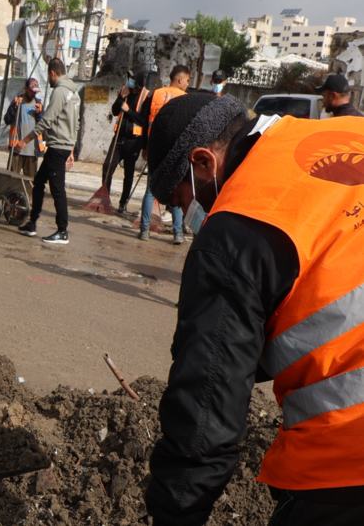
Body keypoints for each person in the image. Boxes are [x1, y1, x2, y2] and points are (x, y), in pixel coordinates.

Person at [143, 92, 364, 525]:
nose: (190, 214)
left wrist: (175, 513)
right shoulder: (347, 131)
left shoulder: (235, 229)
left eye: (182, 200)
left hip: (347, 455)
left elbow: (205, 415)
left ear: (203, 162)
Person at [15, 58, 80, 245]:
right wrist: (72, 150)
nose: (49, 80)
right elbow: (76, 124)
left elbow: (46, 121)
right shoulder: (74, 92)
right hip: (62, 146)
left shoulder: (60, 92)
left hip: (58, 146)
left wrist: (25, 140)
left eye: (48, 75)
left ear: (52, 73)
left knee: (57, 189)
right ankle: (32, 223)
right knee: (39, 181)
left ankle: (62, 231)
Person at [137, 64, 190, 243]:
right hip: (176, 151)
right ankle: (178, 233)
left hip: (155, 149)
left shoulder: (155, 94)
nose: (187, 84)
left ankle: (144, 231)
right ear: (179, 79)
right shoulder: (186, 99)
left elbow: (143, 122)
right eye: (187, 80)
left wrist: (145, 147)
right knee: (175, 190)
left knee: (151, 191)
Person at [104, 71, 150, 216]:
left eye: (132, 81)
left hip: (134, 141)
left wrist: (128, 110)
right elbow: (115, 111)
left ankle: (122, 203)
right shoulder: (125, 91)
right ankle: (105, 199)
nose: (130, 83)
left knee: (128, 174)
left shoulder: (146, 96)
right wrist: (120, 98)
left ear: (139, 83)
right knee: (107, 166)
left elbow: (143, 120)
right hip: (119, 138)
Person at [4, 78, 43, 180]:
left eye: (35, 92)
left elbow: (43, 125)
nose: (34, 94)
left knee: (30, 182)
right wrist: (14, 107)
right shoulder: (17, 101)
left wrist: (39, 114)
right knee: (10, 180)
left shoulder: (38, 104)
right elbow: (7, 120)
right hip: (16, 148)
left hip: (32, 151)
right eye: (32, 91)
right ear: (26, 89)